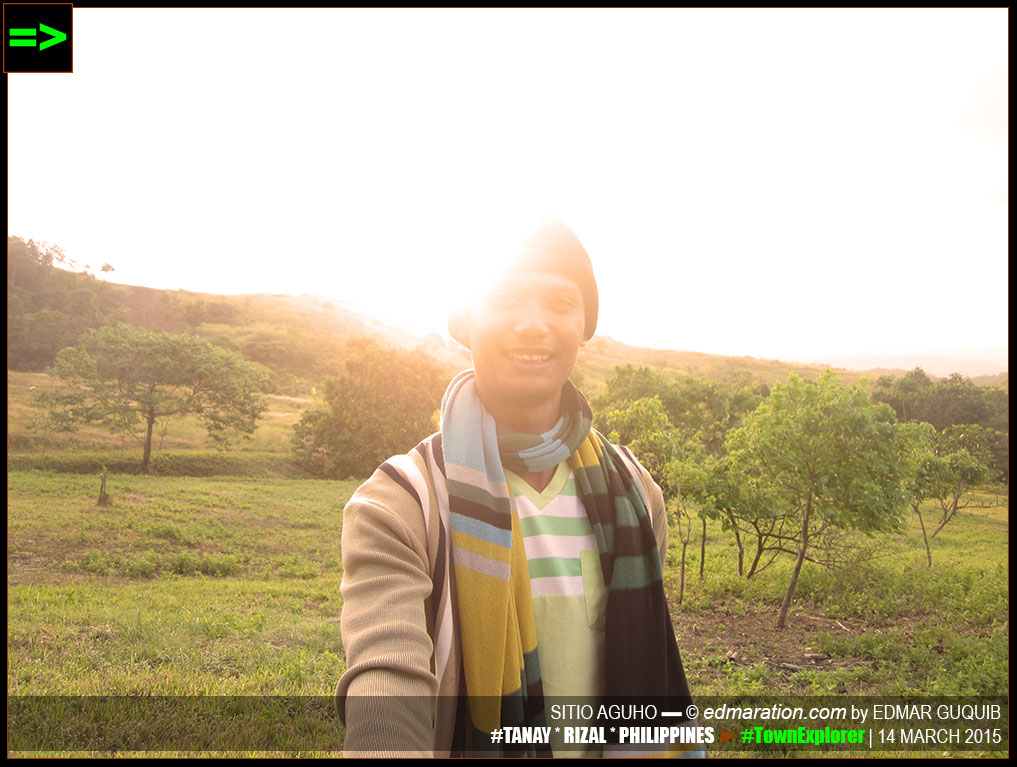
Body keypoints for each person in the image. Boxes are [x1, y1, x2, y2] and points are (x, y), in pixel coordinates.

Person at [335, 220, 696, 757]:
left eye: (560, 302)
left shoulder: (636, 494)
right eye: (505, 297)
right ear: (467, 322)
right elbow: (388, 680)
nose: (534, 324)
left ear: (584, 326)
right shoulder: (402, 502)